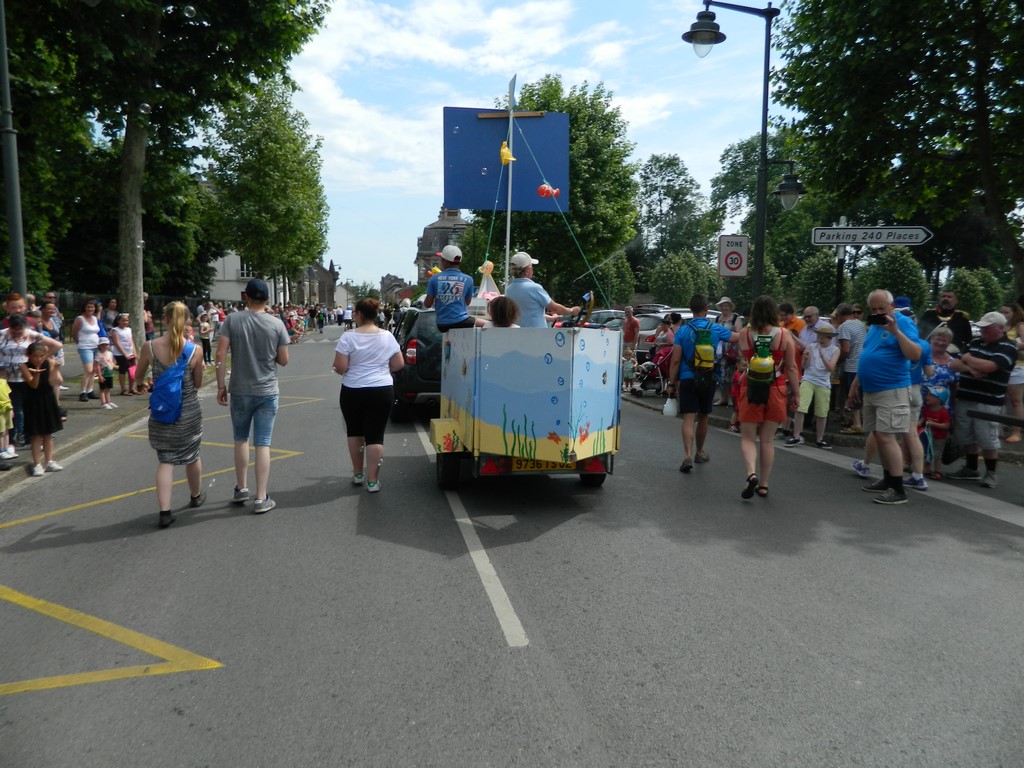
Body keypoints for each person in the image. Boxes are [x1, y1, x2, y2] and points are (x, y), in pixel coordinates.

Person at [215, 278, 290, 514]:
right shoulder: (276, 324)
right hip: (266, 390)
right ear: (267, 299)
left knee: (240, 439)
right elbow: (284, 360)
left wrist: (220, 385)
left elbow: (220, 354)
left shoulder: (232, 320)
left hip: (239, 388)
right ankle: (261, 497)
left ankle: (242, 488)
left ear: (245, 297)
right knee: (263, 443)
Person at [847, 290, 923, 505]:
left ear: (892, 307)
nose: (878, 313)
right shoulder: (873, 326)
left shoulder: (902, 323)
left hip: (892, 388)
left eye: (882, 308)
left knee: (887, 436)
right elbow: (867, 355)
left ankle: (898, 488)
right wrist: (855, 384)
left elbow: (915, 354)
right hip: (872, 389)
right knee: (879, 435)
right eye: (873, 309)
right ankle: (888, 478)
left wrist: (896, 332)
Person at [135, 301, 206, 529]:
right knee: (192, 455)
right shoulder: (195, 350)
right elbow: (197, 383)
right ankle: (195, 495)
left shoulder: (150, 347)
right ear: (187, 321)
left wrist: (142, 383)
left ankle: (165, 512)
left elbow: (138, 377)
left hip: (162, 412)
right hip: (188, 411)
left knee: (166, 460)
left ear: (164, 319)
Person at [332, 297, 404, 493]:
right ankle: (373, 481)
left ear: (359, 314)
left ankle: (358, 474)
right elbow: (398, 364)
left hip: (353, 389)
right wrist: (382, 369)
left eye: (355, 313)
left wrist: (339, 369)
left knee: (355, 432)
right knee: (375, 436)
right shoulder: (387, 336)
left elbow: (341, 367)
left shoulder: (348, 337)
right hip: (381, 389)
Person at [733, 295, 800, 498]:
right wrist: (796, 393)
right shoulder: (784, 334)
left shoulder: (744, 334)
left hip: (751, 388)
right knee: (767, 441)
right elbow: (791, 367)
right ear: (774, 312)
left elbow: (743, 358)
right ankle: (763, 484)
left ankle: (750, 473)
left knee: (748, 437)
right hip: (776, 389)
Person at [665, 294, 739, 473]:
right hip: (709, 377)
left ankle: (687, 455)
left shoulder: (682, 331)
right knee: (703, 417)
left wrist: (671, 384)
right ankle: (699, 452)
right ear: (706, 309)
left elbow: (675, 360)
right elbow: (735, 337)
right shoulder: (715, 328)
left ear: (691, 309)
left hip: (687, 378)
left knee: (688, 418)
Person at [945, 311, 1017, 488]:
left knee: (987, 438)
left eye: (987, 328)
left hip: (988, 401)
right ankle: (971, 468)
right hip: (966, 396)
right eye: (982, 328)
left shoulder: (1008, 348)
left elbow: (989, 367)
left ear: (1000, 328)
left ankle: (991, 473)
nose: (983, 331)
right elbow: (953, 363)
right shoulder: (975, 342)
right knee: (966, 435)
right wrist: (971, 368)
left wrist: (968, 358)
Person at [0, 313, 63, 447]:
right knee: (13, 409)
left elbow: (57, 345)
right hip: (8, 378)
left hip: (28, 376)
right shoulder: (3, 335)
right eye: (14, 329)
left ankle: (30, 435)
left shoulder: (32, 335)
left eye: (20, 329)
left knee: (28, 408)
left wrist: (43, 359)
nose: (17, 332)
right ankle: (14, 438)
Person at [785, 324, 839, 449]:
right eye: (819, 337)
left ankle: (820, 439)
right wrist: (805, 359)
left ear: (830, 338)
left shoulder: (835, 350)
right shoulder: (811, 346)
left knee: (822, 411)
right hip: (809, 379)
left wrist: (822, 356)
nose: (820, 340)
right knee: (801, 407)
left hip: (823, 382)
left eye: (823, 337)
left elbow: (831, 368)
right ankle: (796, 436)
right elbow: (804, 366)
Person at [19, 341, 64, 477]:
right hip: (33, 401)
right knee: (36, 434)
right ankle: (37, 464)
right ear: (29, 355)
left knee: (48, 433)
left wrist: (55, 368)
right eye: (35, 356)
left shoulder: (49, 363)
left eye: (41, 356)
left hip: (47, 399)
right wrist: (37, 374)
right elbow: (33, 385)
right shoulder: (24, 366)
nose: (38, 359)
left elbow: (53, 382)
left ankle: (49, 461)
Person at [504, 251, 580, 328]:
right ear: (527, 269)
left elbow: (527, 314)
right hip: (537, 333)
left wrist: (551, 318)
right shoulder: (534, 288)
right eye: (531, 266)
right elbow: (555, 308)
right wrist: (571, 310)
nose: (532, 268)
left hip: (518, 333)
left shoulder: (509, 290)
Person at [423, 245, 477, 332]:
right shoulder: (469, 279)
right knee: (484, 323)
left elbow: (427, 304)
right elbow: (467, 302)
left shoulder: (434, 279)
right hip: (461, 321)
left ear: (445, 262)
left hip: (442, 324)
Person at [835, 303, 866, 434]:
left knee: (852, 394)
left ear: (840, 315)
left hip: (852, 365)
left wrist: (837, 361)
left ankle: (857, 424)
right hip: (863, 363)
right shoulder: (860, 324)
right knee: (859, 394)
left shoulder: (844, 326)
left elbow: (846, 350)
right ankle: (854, 420)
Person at [714, 297, 745, 408]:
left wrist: (740, 353)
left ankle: (733, 398)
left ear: (730, 307)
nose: (724, 308)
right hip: (719, 352)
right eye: (722, 306)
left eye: (726, 305)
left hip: (732, 351)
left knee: (731, 375)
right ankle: (723, 398)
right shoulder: (718, 318)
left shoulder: (735, 318)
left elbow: (740, 334)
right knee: (721, 375)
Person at [1000, 298, 1023, 442]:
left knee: (1016, 401)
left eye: (1006, 312)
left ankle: (1016, 431)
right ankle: (999, 429)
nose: (1003, 315)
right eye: (1001, 312)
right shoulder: (1001, 326)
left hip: (1017, 367)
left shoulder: (1020, 326)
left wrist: (1011, 344)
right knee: (1000, 399)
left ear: (1014, 313)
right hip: (1002, 365)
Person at [72, 298, 104, 402]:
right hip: (85, 347)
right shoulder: (80, 319)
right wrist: (79, 342)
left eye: (92, 307)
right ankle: (83, 392)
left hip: (96, 346)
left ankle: (90, 390)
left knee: (94, 370)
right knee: (88, 370)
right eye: (88, 307)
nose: (90, 309)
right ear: (84, 308)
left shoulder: (95, 318)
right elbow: (74, 333)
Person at [919, 384, 951, 480]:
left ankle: (937, 471)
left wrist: (934, 424)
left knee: (937, 454)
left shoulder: (943, 412)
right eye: (927, 394)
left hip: (939, 438)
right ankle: (927, 468)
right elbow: (924, 417)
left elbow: (946, 425)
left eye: (930, 395)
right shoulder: (927, 408)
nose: (927, 397)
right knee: (927, 452)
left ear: (939, 399)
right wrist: (918, 423)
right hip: (928, 436)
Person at [109, 312, 139, 395]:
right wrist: (124, 354)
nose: (125, 322)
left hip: (130, 353)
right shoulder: (115, 330)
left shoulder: (129, 329)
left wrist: (134, 351)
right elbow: (117, 343)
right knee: (122, 370)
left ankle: (131, 388)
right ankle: (123, 389)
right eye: (123, 320)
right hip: (120, 354)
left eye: (126, 321)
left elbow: (131, 341)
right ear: (118, 321)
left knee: (132, 371)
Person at [95, 338, 117, 409]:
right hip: (103, 373)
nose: (104, 346)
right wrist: (99, 375)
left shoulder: (110, 353)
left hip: (109, 373)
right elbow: (97, 366)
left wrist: (114, 367)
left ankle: (108, 401)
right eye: (102, 345)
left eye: (106, 345)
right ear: (99, 346)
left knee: (108, 388)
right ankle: (103, 403)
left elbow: (112, 362)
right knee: (102, 389)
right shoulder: (98, 354)